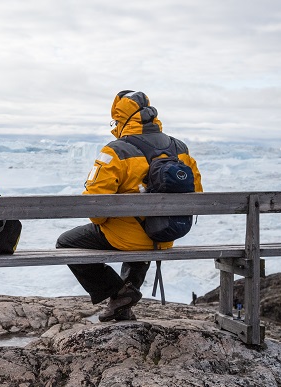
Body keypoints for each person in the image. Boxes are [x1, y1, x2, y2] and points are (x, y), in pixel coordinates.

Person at [56, 90, 203, 322]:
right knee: (140, 239)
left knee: (65, 243)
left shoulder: (116, 150)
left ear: (122, 119)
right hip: (164, 236)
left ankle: (119, 293)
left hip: (129, 238)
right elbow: (197, 195)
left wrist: (106, 221)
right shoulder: (180, 149)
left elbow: (95, 209)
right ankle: (121, 307)